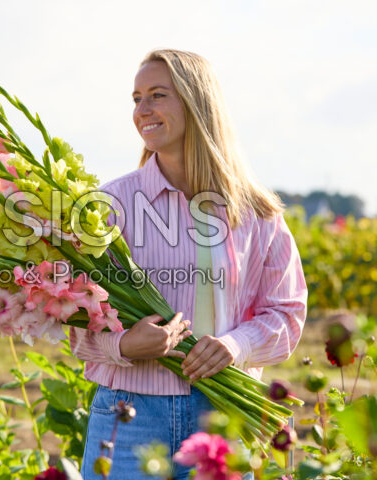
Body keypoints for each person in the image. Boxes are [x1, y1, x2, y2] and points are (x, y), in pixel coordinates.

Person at [70, 49, 308, 479]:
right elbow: (72, 320)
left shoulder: (256, 211)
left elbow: (287, 315)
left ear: (197, 103)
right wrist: (124, 346)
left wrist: (235, 345)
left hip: (221, 417)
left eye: (157, 95)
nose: (142, 110)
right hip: (128, 414)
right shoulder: (109, 206)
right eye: (136, 98)